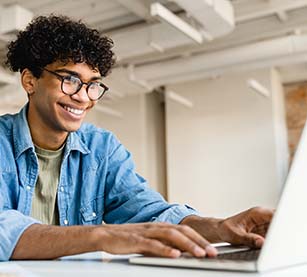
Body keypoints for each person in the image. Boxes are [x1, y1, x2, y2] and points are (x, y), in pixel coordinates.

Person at [0, 15, 273, 261]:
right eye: (69, 79)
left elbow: (151, 213)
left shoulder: (101, 148)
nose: (83, 96)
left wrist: (221, 228)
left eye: (92, 84)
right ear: (29, 81)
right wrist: (100, 236)